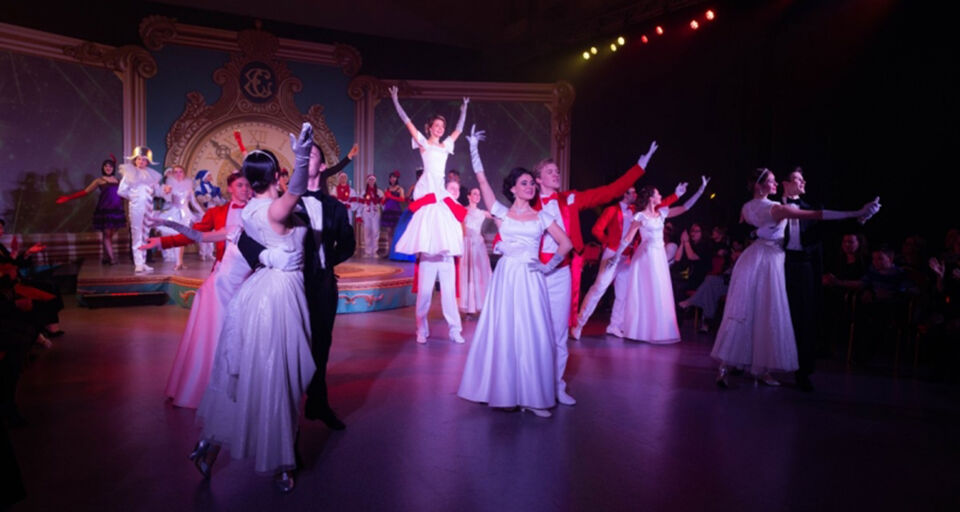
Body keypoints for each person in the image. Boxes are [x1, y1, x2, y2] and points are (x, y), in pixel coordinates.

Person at [192, 124, 317, 493]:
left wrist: (266, 255)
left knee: (259, 377)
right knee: (277, 379)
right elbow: (295, 192)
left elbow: (251, 241)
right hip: (276, 299)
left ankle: (210, 446)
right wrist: (302, 158)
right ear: (276, 176)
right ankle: (280, 462)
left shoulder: (251, 211)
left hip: (266, 291)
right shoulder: (273, 210)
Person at [530, 138, 670, 405]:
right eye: (550, 172)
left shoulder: (569, 198)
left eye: (557, 171)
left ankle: (557, 385)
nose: (556, 174)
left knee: (559, 332)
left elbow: (609, 191)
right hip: (535, 271)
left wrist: (640, 165)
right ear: (538, 179)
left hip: (562, 269)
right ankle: (532, 386)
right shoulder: (530, 201)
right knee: (534, 329)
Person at [711, 168, 880, 387]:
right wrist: (855, 212)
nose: (803, 182)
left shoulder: (749, 206)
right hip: (773, 262)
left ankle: (747, 367)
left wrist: (859, 218)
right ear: (770, 185)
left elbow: (826, 225)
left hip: (764, 261)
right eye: (797, 179)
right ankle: (750, 366)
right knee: (764, 312)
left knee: (759, 312)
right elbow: (818, 215)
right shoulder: (776, 207)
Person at [237, 134, 357, 430]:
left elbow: (348, 245)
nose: (306, 156)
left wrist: (327, 262)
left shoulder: (336, 207)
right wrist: (267, 257)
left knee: (321, 346)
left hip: (323, 285)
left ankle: (318, 403)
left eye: (312, 154)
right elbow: (244, 239)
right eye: (304, 154)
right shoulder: (284, 200)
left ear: (324, 165)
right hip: (292, 284)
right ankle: (286, 423)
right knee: (288, 352)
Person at [458, 128, 573, 418]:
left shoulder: (543, 215)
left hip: (531, 277)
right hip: (507, 277)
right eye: (524, 183)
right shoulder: (501, 212)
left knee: (532, 333)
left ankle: (532, 397)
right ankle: (505, 392)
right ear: (512, 188)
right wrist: (473, 148)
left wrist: (547, 266)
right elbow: (482, 181)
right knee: (506, 332)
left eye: (532, 183)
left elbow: (566, 244)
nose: (530, 187)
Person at [140, 173, 255, 409]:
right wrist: (162, 242)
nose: (245, 189)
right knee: (218, 330)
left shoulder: (259, 211)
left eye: (248, 185)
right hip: (225, 277)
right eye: (240, 185)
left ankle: (250, 386)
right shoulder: (217, 213)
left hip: (253, 278)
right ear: (230, 188)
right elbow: (196, 236)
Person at [618, 178, 709, 343]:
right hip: (645, 257)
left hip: (658, 257)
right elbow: (628, 238)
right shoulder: (640, 216)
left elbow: (685, 207)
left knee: (659, 292)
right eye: (658, 193)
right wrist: (616, 256)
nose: (660, 196)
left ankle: (658, 332)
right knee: (646, 292)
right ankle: (642, 331)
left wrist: (700, 191)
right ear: (651, 198)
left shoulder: (662, 213)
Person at [389, 85, 468, 258]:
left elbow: (459, 130)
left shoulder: (446, 145)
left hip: (439, 186)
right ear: (430, 127)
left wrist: (464, 110)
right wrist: (396, 101)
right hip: (428, 184)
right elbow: (407, 122)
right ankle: (425, 252)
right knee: (427, 217)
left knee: (443, 218)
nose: (440, 128)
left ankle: (441, 251)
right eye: (437, 125)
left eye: (443, 126)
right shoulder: (424, 144)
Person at [56, 157, 125, 265]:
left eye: (110, 166)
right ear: (103, 168)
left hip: (116, 211)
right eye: (106, 166)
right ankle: (112, 258)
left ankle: (106, 257)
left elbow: (123, 194)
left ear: (113, 168)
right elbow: (85, 192)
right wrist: (69, 197)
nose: (108, 168)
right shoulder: (99, 180)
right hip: (105, 210)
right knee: (107, 234)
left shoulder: (118, 181)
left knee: (109, 235)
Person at [117, 146, 161, 273]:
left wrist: (164, 190)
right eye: (139, 159)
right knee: (137, 233)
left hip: (148, 206)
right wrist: (133, 197)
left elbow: (157, 191)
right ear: (135, 160)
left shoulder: (151, 175)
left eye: (144, 160)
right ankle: (138, 262)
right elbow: (121, 191)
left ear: (147, 162)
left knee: (146, 233)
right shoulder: (130, 173)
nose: (141, 161)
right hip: (136, 206)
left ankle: (143, 261)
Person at [156, 165, 205, 270]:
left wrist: (202, 212)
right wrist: (165, 192)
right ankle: (178, 262)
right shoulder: (170, 185)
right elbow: (165, 198)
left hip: (185, 214)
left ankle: (180, 262)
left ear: (184, 173)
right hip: (174, 213)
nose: (178, 174)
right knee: (177, 236)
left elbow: (194, 202)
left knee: (181, 238)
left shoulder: (189, 187)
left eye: (180, 171)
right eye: (176, 172)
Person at [460, 187, 492, 316]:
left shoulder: (482, 213)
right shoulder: (463, 210)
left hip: (478, 245)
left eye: (479, 194)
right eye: (475, 194)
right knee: (467, 275)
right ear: (469, 196)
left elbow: (498, 216)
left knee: (480, 274)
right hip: (467, 244)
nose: (477, 196)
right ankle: (469, 306)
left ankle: (482, 304)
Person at [388, 169, 422, 262]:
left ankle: (416, 255)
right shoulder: (413, 186)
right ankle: (401, 255)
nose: (420, 177)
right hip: (412, 209)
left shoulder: (428, 187)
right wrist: (410, 201)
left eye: (421, 175)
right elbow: (406, 197)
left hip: (422, 210)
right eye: (419, 175)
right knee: (402, 229)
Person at [193, 170, 224, 262]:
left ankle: (210, 253)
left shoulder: (212, 187)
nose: (210, 177)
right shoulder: (199, 188)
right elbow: (201, 200)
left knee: (212, 233)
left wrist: (217, 196)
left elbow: (219, 202)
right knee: (203, 233)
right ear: (204, 177)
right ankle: (202, 253)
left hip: (213, 212)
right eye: (209, 175)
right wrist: (210, 195)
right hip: (203, 212)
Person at [359, 174, 383, 257]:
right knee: (367, 231)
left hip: (376, 212)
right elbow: (360, 204)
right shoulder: (363, 192)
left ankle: (375, 251)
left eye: (373, 180)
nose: (371, 181)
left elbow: (382, 203)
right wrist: (359, 214)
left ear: (375, 181)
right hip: (366, 212)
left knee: (375, 231)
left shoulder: (379, 192)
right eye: (370, 180)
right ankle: (368, 251)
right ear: (367, 181)